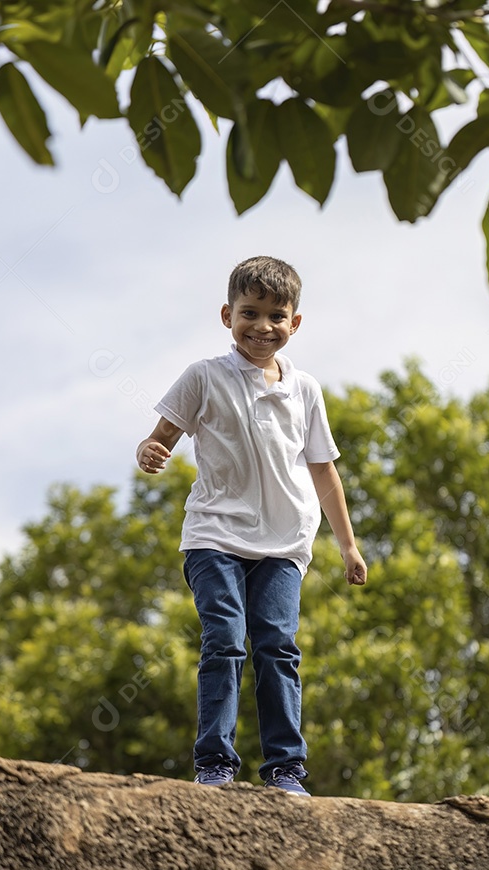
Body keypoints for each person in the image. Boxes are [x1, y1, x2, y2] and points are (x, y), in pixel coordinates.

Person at [136, 256, 366, 796]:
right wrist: (150, 450)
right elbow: (162, 435)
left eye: (276, 316)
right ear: (227, 315)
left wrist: (348, 546)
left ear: (295, 323)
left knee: (277, 646)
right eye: (250, 313)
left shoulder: (305, 389)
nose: (262, 326)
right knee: (224, 639)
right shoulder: (204, 376)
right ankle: (214, 764)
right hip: (214, 535)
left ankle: (286, 769)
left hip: (284, 545)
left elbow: (323, 471)